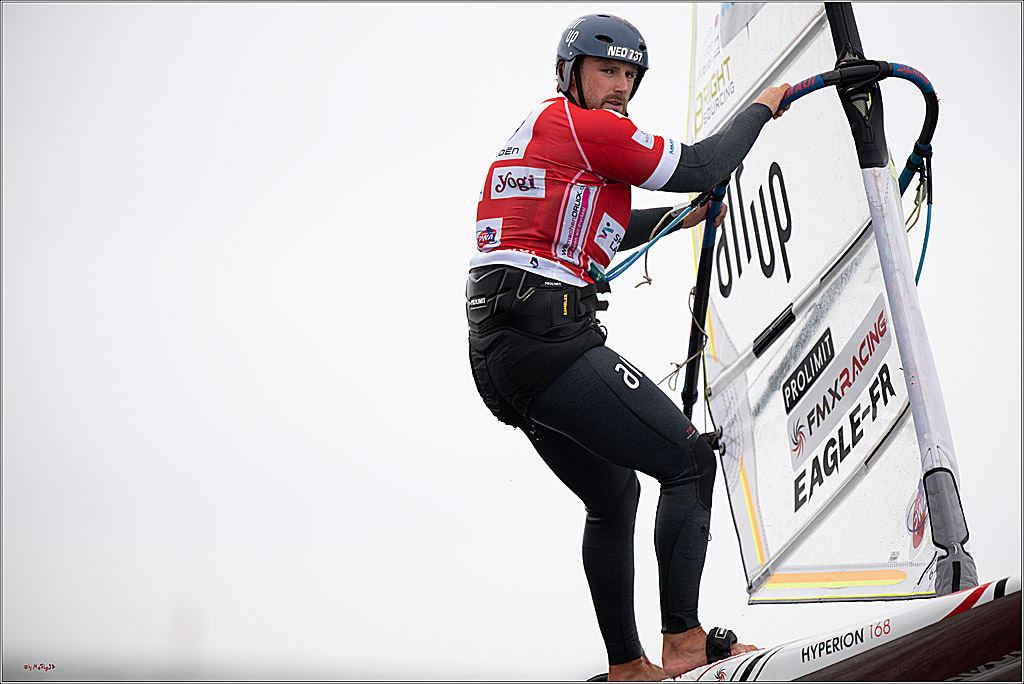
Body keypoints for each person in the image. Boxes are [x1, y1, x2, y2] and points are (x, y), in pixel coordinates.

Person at [466, 13, 790, 681]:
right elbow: (705, 163)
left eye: (629, 75)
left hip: (505, 354)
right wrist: (765, 105)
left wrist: (678, 218)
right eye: (606, 71)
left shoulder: (554, 135)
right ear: (570, 75)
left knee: (613, 496)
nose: (619, 86)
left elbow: (592, 227)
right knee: (688, 461)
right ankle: (685, 642)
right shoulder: (583, 126)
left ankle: (627, 668)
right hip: (545, 341)